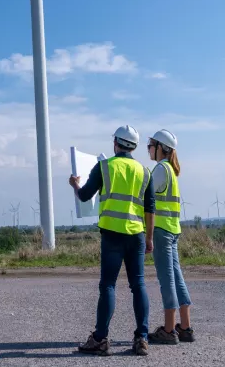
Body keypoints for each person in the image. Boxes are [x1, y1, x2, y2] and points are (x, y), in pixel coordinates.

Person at [69, 124, 154, 357]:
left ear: (115, 143)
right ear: (134, 146)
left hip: (112, 235)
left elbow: (85, 195)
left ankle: (100, 339)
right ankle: (142, 339)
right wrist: (149, 238)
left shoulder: (104, 167)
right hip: (136, 235)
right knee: (138, 285)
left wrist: (75, 184)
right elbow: (150, 208)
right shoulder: (144, 171)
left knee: (108, 285)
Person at [146, 129, 195, 344]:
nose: (148, 148)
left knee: (166, 280)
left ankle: (168, 330)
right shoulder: (171, 171)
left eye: (151, 145)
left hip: (162, 231)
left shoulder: (160, 169)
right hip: (173, 230)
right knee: (177, 278)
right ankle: (184, 327)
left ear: (160, 148)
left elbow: (145, 196)